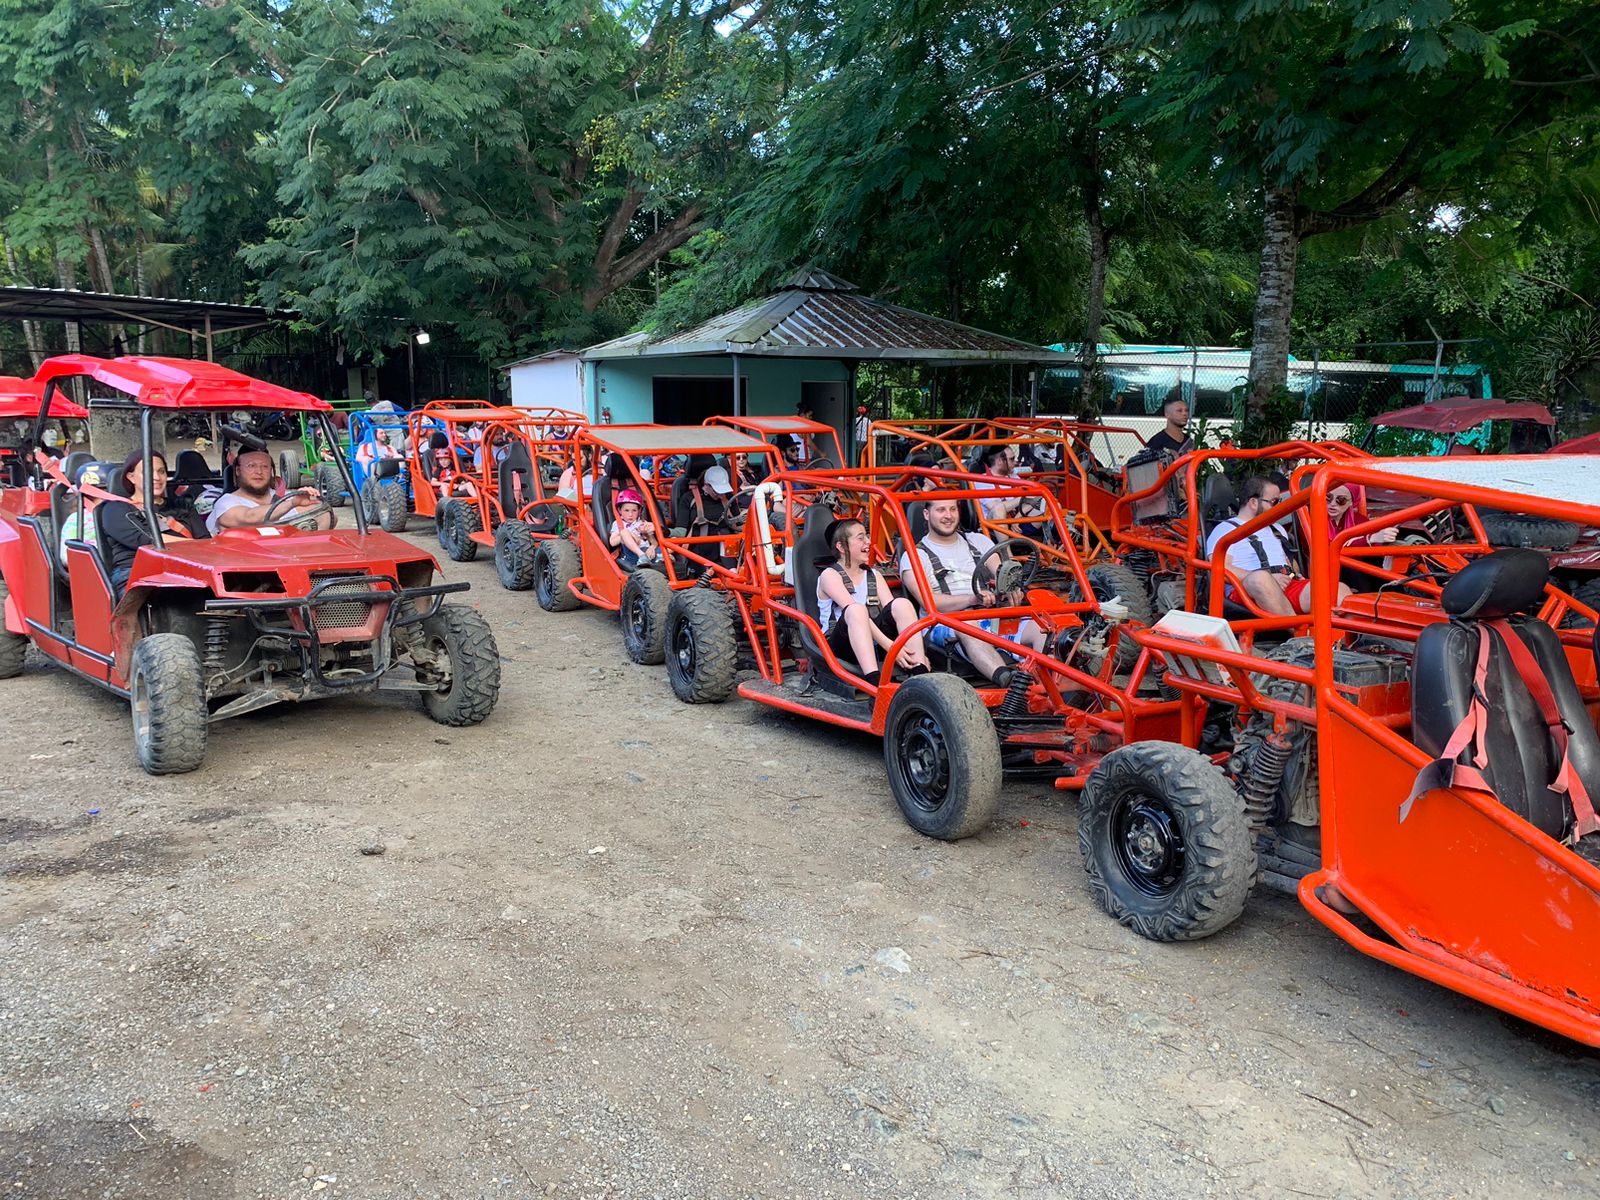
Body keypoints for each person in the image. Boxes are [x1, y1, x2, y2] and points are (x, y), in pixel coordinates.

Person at [897, 497, 1016, 685]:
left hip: (991, 614)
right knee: (967, 625)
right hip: (944, 622)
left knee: (1042, 624)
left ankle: (1059, 684)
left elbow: (1001, 572)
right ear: (926, 514)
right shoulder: (915, 555)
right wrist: (971, 600)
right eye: (941, 510)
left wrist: (1011, 587)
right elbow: (929, 602)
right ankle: (1009, 682)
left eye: (953, 509)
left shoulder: (979, 541)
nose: (948, 516)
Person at [1204, 476, 1349, 615]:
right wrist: (1270, 578)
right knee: (1260, 579)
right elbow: (1220, 568)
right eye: (1274, 502)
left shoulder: (1277, 529)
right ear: (1254, 502)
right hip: (1245, 589)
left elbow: (1289, 560)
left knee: (1338, 589)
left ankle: (1350, 638)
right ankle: (1300, 636)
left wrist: (1292, 573)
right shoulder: (1226, 529)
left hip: (1285, 584)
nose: (1278, 507)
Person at [816, 518, 929, 683]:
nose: (868, 542)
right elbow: (856, 613)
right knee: (856, 609)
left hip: (877, 642)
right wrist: (892, 648)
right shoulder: (829, 575)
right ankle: (874, 681)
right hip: (841, 646)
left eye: (867, 536)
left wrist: (916, 650)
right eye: (861, 538)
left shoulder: (873, 575)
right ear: (841, 547)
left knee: (901, 604)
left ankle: (920, 671)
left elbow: (893, 613)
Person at [100, 451, 208, 594]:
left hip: (189, 566)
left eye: (161, 472)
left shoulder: (183, 505)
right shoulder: (116, 509)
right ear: (131, 477)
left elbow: (205, 540)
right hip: (136, 571)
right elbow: (145, 541)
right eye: (148, 472)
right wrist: (193, 546)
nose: (157, 477)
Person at [207, 448, 336, 534]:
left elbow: (329, 517)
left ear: (271, 471)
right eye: (251, 466)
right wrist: (291, 504)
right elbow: (249, 517)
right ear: (238, 471)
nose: (259, 472)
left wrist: (315, 503)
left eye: (265, 466)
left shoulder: (288, 497)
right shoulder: (225, 503)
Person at [610, 487, 659, 568]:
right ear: (619, 510)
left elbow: (654, 542)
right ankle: (642, 556)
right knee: (624, 532)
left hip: (648, 551)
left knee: (674, 541)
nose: (630, 514)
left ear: (639, 511)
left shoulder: (642, 523)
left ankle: (659, 558)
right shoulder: (618, 524)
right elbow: (612, 542)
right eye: (626, 510)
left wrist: (652, 547)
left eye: (634, 510)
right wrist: (629, 534)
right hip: (632, 554)